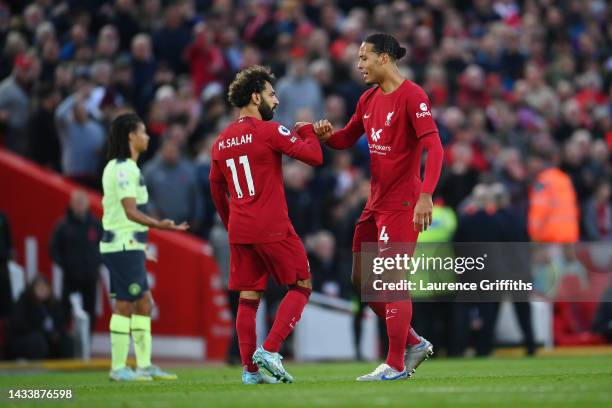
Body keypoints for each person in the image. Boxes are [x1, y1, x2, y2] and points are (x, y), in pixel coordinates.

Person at [313, 33, 444, 381]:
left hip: (403, 204)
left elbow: (436, 148)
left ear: (384, 58)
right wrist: (324, 135)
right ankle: (413, 341)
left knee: (391, 280)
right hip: (374, 205)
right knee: (362, 281)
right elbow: (344, 139)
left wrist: (425, 196)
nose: (359, 66)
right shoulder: (368, 99)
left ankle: (396, 364)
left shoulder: (413, 96)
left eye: (364, 58)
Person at [209, 65, 322, 385]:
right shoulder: (269, 132)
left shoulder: (220, 141)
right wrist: (307, 131)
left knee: (248, 297)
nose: (276, 101)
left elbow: (217, 190)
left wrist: (233, 223)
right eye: (272, 95)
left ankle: (249, 371)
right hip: (272, 224)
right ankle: (270, 350)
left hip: (240, 229)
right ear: (255, 96)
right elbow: (314, 158)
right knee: (302, 284)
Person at [100, 112, 188, 381]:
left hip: (128, 244)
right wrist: (160, 225)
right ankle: (119, 368)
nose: (147, 137)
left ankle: (143, 365)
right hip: (123, 244)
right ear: (131, 136)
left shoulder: (123, 167)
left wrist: (142, 244)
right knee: (127, 304)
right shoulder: (125, 168)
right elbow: (129, 211)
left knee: (144, 304)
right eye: (143, 132)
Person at [50, 189, 103, 333]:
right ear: (71, 204)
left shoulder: (96, 224)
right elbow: (54, 249)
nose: (79, 205)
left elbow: (106, 245)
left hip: (90, 276)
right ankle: (64, 342)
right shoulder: (63, 225)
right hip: (70, 277)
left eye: (82, 202)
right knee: (65, 310)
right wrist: (66, 265)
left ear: (87, 204)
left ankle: (87, 341)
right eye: (76, 202)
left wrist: (97, 262)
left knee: (89, 310)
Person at [8, 275, 73, 360]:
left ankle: (66, 368)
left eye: (45, 287)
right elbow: (19, 324)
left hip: (49, 337)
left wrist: (57, 333)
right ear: (32, 289)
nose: (42, 290)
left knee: (66, 340)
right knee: (37, 340)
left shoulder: (54, 303)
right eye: (39, 287)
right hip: (27, 338)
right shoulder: (24, 301)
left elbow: (61, 322)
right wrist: (42, 332)